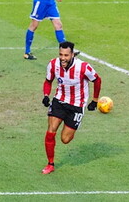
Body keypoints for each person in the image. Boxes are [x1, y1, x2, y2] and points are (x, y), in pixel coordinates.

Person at [41, 41, 102, 175]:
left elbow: (97, 80)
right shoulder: (53, 64)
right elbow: (48, 81)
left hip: (76, 105)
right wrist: (46, 95)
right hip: (59, 101)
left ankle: (73, 125)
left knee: (65, 139)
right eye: (61, 55)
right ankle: (50, 164)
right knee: (50, 131)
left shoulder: (83, 67)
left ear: (72, 55)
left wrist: (95, 100)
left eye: (66, 55)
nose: (63, 58)